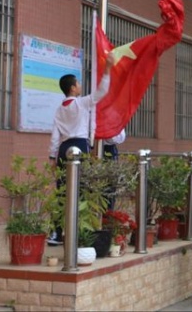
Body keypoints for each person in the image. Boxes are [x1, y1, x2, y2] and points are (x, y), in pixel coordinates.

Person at [47, 52, 115, 246]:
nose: (80, 85)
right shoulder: (82, 103)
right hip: (79, 147)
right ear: (72, 88)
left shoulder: (59, 109)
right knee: (82, 189)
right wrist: (107, 69)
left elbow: (55, 136)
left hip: (63, 149)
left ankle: (57, 233)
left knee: (62, 191)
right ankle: (80, 232)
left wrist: (52, 157)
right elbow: (101, 92)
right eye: (77, 83)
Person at [102, 129, 126, 210]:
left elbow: (120, 138)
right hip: (88, 148)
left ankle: (108, 213)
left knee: (109, 187)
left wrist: (106, 133)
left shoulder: (112, 120)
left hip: (108, 150)